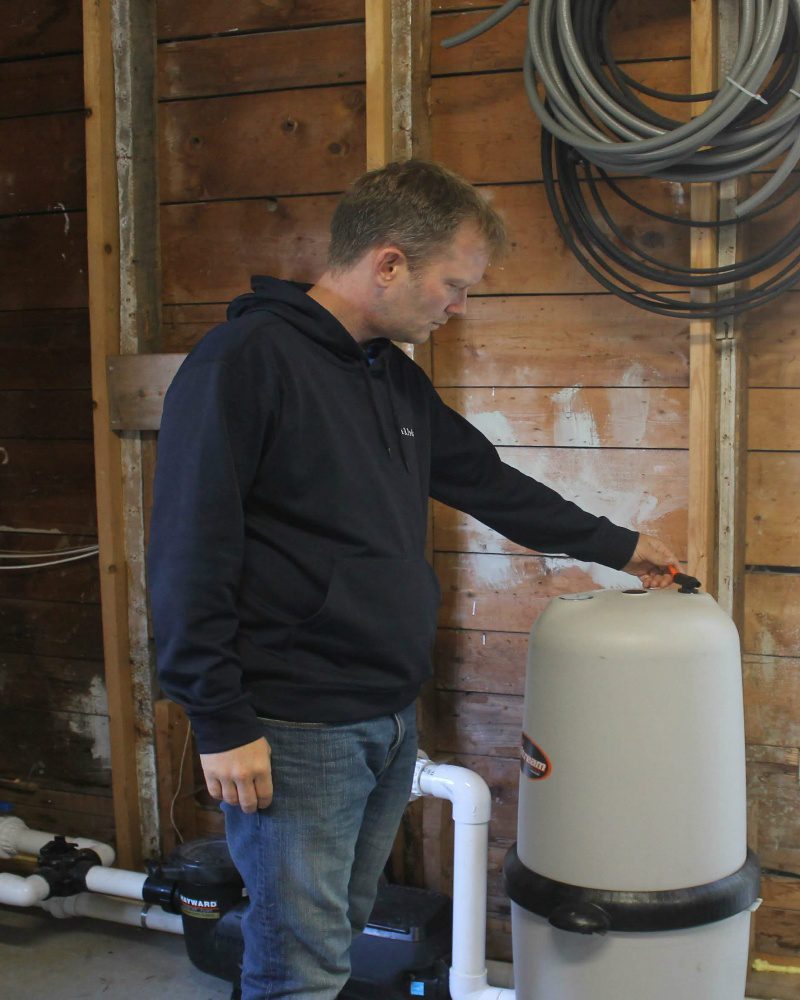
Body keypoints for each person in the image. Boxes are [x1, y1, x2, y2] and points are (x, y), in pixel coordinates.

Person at [147, 159, 681, 999]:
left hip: (385, 714)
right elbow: (187, 547)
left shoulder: (388, 374)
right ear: (389, 263)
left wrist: (619, 547)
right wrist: (217, 719)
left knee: (334, 942)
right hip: (294, 725)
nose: (457, 306)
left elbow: (486, 482)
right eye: (453, 284)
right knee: (297, 967)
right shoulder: (243, 362)